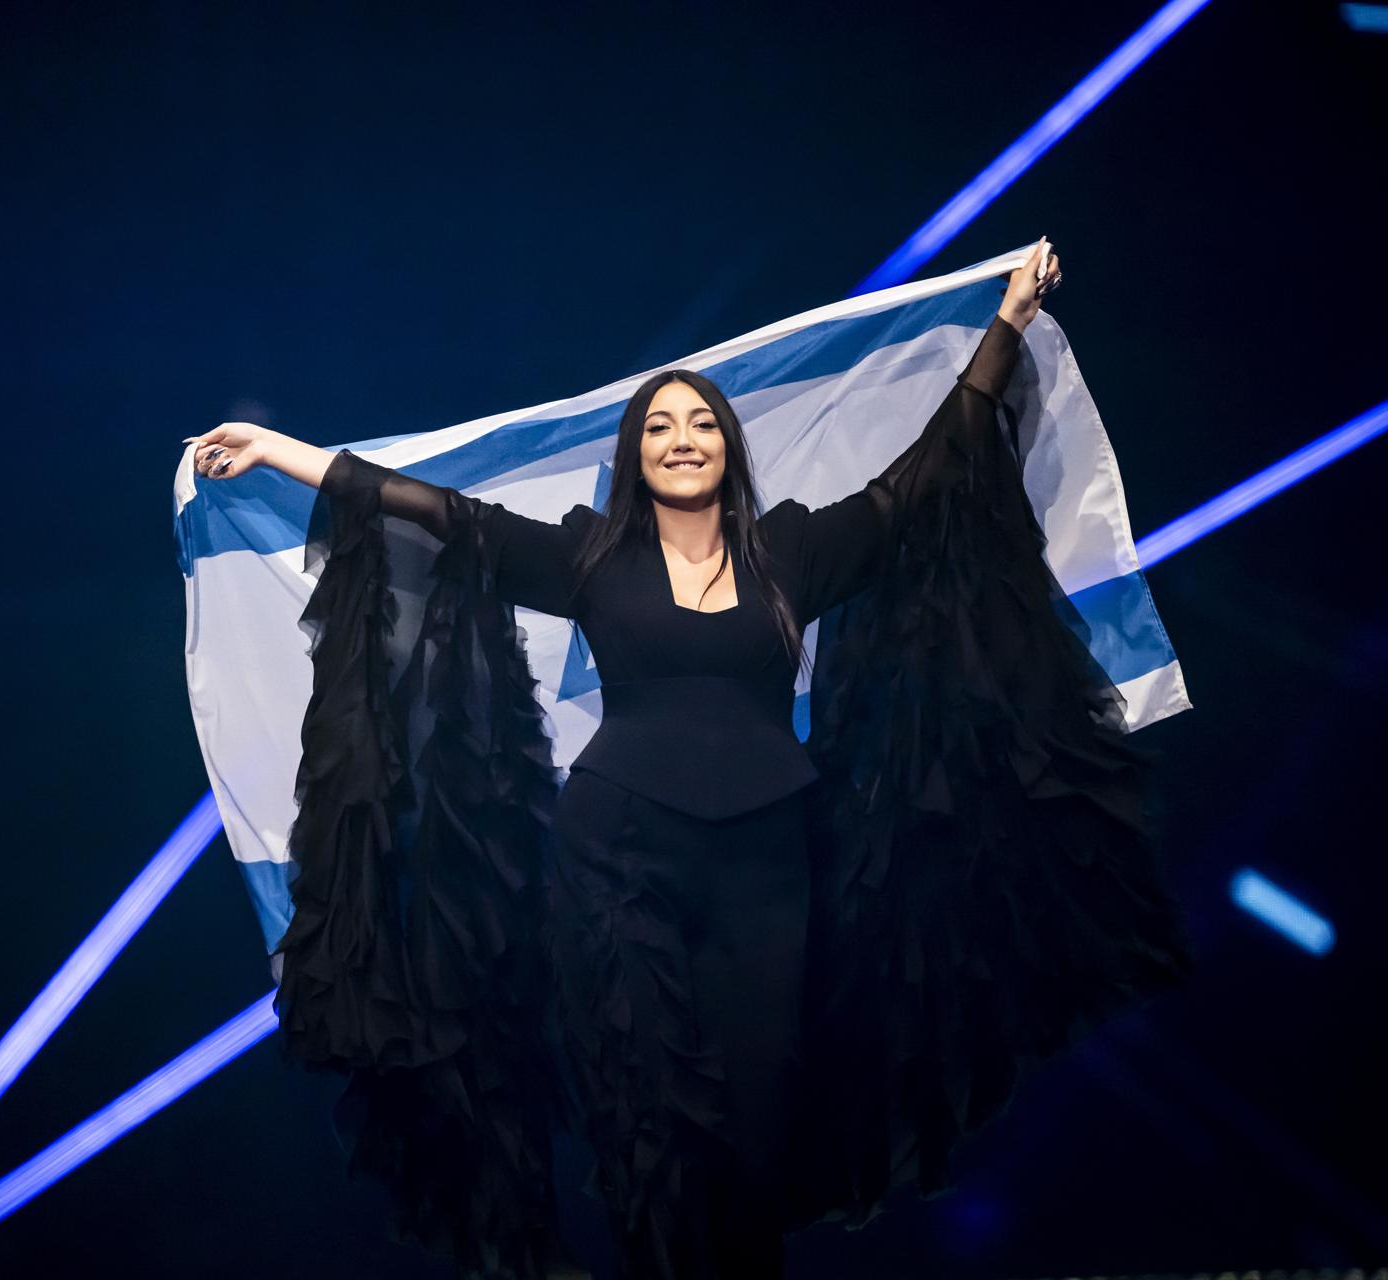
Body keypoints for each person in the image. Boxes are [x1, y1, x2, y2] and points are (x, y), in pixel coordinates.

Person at [184, 242, 1194, 1279]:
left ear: (728, 448)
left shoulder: (792, 552)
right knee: (651, 1117)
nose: (682, 439)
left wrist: (1009, 325)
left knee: (756, 1117)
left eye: (702, 422)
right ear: (635, 456)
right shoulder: (590, 555)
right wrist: (281, 449)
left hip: (767, 864)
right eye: (660, 426)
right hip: (618, 860)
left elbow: (925, 477)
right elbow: (438, 512)